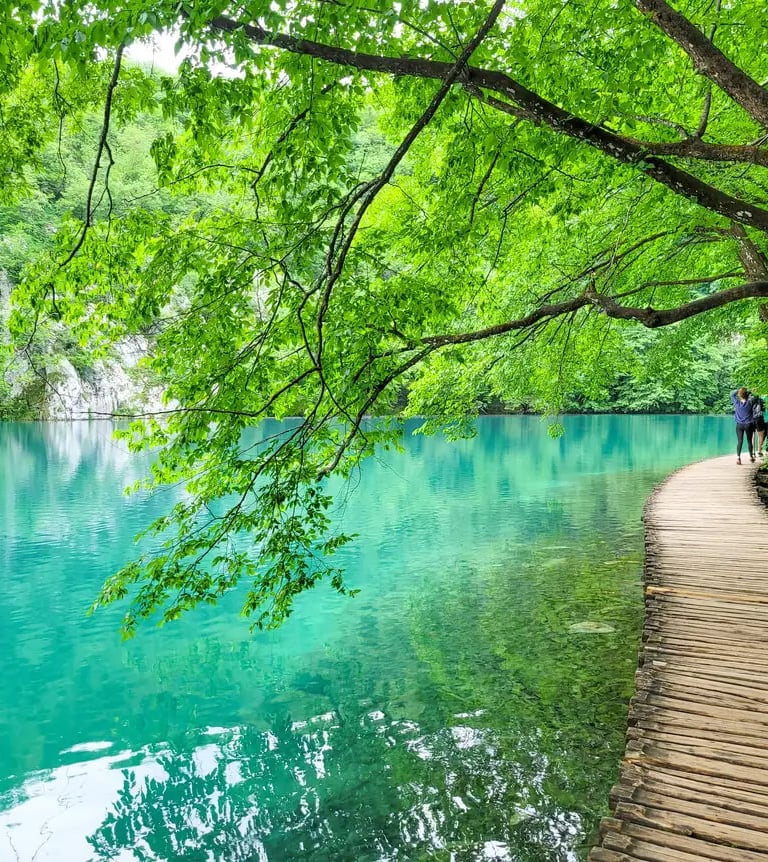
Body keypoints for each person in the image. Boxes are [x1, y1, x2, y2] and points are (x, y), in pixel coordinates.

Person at [731, 387, 757, 464]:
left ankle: (738, 458)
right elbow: (755, 397)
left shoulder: (737, 403)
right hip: (749, 424)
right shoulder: (750, 402)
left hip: (739, 425)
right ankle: (751, 457)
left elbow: (732, 395)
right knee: (749, 441)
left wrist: (739, 390)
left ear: (740, 395)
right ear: (747, 395)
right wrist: (749, 392)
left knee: (740, 441)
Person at [752, 389, 767, 456]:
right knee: (761, 435)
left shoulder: (750, 400)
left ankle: (752, 451)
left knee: (752, 435)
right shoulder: (761, 400)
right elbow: (763, 409)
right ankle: (759, 451)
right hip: (759, 419)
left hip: (751, 419)